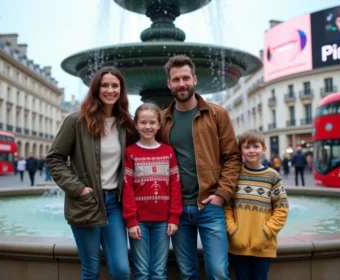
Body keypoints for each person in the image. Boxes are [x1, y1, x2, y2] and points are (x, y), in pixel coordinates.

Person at [46, 66, 135, 280]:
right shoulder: (76, 121)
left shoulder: (126, 124)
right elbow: (54, 158)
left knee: (122, 270)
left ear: (121, 90)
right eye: (104, 85)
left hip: (115, 203)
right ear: (96, 89)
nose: (110, 90)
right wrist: (79, 189)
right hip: (86, 202)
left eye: (115, 86)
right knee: (91, 270)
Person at [160, 55, 241, 279]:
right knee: (187, 274)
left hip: (210, 207)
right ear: (169, 84)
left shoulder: (217, 114)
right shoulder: (161, 120)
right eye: (175, 79)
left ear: (194, 79)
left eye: (186, 78)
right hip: (177, 210)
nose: (181, 84)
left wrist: (221, 194)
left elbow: (233, 157)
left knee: (218, 272)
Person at [123, 103, 183, 280]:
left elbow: (175, 186)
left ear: (159, 125)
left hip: (163, 222)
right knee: (141, 271)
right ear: (136, 124)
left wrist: (174, 217)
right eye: (143, 122)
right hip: (139, 222)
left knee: (159, 271)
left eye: (152, 122)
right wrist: (131, 220)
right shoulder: (130, 152)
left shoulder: (168, 152)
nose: (147, 127)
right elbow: (127, 188)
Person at [225, 129, 288, 280]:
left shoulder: (273, 176)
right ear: (240, 150)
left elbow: (281, 209)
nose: (251, 151)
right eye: (246, 147)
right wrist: (233, 231)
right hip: (238, 245)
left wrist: (266, 232)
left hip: (263, 245)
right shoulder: (235, 175)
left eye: (255, 146)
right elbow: (227, 207)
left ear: (263, 149)